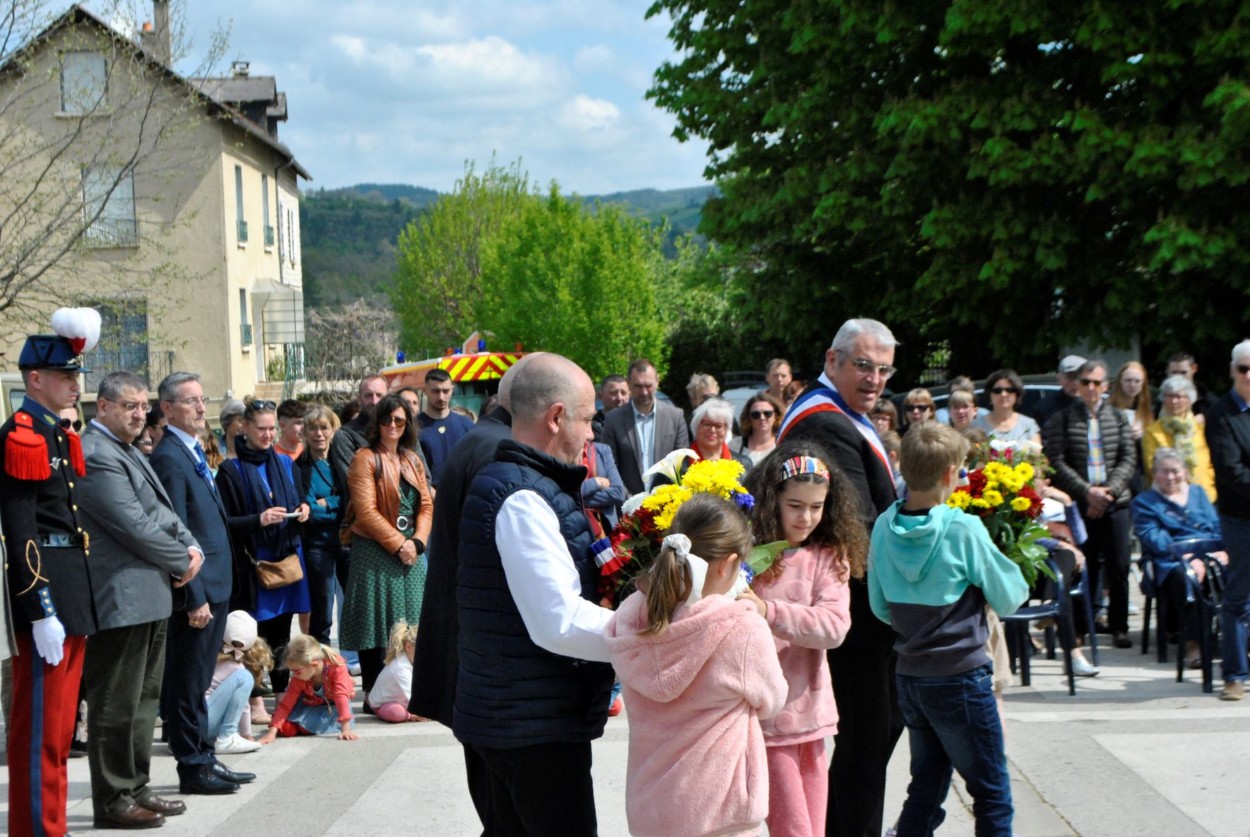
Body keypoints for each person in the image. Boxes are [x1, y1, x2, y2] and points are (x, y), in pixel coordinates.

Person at [454, 353, 615, 835]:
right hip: (532, 729)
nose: (591, 434)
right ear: (557, 417)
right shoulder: (522, 497)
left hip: (520, 716)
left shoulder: (528, 484)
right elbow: (558, 621)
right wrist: (647, 632)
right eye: (587, 419)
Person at [868, 423, 1028, 836]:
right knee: (991, 791)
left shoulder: (884, 526)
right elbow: (1010, 595)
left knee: (927, 783)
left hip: (911, 676)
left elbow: (879, 605)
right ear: (948, 473)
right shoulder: (962, 528)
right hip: (961, 677)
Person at [776, 317, 901, 837]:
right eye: (864, 366)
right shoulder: (825, 421)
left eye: (885, 371)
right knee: (867, 741)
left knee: (872, 739)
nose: (875, 379)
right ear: (833, 361)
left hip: (861, 607)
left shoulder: (843, 416)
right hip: (856, 610)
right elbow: (857, 529)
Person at [605, 495, 787, 837]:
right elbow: (773, 701)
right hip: (722, 816)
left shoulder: (634, 617)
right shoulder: (741, 629)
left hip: (652, 813)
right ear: (727, 564)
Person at [77, 371, 203, 828]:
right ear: (103, 407)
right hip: (121, 596)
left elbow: (163, 512)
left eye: (140, 406)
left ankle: (136, 786)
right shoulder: (95, 453)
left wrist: (192, 548)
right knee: (116, 703)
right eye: (127, 405)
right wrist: (181, 558)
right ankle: (113, 799)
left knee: (144, 702)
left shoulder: (128, 450)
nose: (137, 413)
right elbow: (131, 523)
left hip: (150, 593)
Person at [409, 358, 522, 829]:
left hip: (472, 653)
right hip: (487, 657)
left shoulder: (479, 438)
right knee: (505, 809)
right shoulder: (500, 451)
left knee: (497, 802)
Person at [0, 310, 100, 837]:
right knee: (39, 729)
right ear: (34, 378)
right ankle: (37, 829)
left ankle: (52, 826)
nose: (74, 383)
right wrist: (39, 608)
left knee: (60, 730)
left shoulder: (59, 433)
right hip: (46, 597)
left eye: (76, 375)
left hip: (70, 589)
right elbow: (22, 531)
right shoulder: (22, 434)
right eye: (65, 375)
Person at [742, 443, 866, 837]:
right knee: (793, 830)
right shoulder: (747, 553)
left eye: (817, 506)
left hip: (811, 716)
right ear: (771, 499)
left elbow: (834, 627)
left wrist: (768, 612)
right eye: (795, 505)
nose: (807, 517)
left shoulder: (830, 555)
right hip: (765, 717)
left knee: (813, 828)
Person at [150, 371, 252, 796]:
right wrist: (193, 596)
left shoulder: (190, 450)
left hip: (215, 583)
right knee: (188, 682)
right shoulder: (169, 456)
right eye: (189, 400)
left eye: (201, 398)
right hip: (198, 589)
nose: (199, 407)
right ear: (168, 408)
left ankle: (204, 754)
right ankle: (192, 765)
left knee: (196, 679)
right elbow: (177, 531)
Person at [340, 394, 432, 701]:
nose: (392, 425)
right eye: (386, 419)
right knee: (376, 620)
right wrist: (398, 545)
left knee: (415, 619)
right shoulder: (364, 458)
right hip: (375, 549)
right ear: (376, 423)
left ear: (407, 425)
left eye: (399, 420)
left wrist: (417, 542)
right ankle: (372, 692)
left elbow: (427, 505)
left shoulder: (412, 459)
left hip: (411, 549)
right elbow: (365, 513)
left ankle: (413, 690)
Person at [216, 400, 312, 692]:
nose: (268, 435)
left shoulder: (285, 462)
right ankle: (253, 692)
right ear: (244, 427)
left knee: (282, 629)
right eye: (261, 429)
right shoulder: (230, 471)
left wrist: (304, 509)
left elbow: (299, 498)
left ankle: (283, 691)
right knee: (253, 633)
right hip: (253, 563)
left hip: (286, 558)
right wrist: (259, 519)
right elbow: (225, 522)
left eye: (272, 429)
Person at [1043, 359, 1137, 649]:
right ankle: (1082, 628)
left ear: (1106, 386)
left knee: (1119, 566)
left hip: (1115, 502)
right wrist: (1088, 492)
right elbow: (1057, 461)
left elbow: (1128, 458)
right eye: (1086, 382)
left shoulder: (1119, 417)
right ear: (1078, 385)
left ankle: (1119, 627)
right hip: (1083, 504)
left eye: (1097, 383)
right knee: (1083, 568)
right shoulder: (1063, 418)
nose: (1091, 388)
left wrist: (1109, 491)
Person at [1131, 448, 1226, 668]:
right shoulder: (1144, 502)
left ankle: (1237, 640)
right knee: (1187, 578)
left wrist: (1224, 550)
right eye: (1164, 472)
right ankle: (1194, 643)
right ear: (1154, 474)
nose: (1170, 477)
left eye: (1175, 471)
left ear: (1184, 471)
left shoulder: (1199, 494)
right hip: (1170, 560)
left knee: (1236, 570)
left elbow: (1217, 527)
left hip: (1208, 554)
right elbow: (1154, 538)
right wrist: (1188, 557)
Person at [1204, 339, 1250, 701]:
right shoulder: (1221, 414)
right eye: (1244, 369)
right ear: (1233, 371)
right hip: (1240, 517)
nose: (1249, 376)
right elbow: (1231, 470)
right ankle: (1234, 674)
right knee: (1238, 597)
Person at [603, 358, 691, 495]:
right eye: (638, 386)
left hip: (667, 502)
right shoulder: (613, 420)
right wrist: (630, 501)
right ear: (629, 384)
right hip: (627, 504)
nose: (644, 392)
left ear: (657, 381)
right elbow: (610, 466)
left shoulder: (675, 417)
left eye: (648, 386)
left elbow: (682, 465)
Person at [296, 404, 346, 644]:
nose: (318, 433)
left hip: (346, 540)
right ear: (304, 433)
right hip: (317, 545)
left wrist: (327, 502)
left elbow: (351, 499)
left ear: (333, 430)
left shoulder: (342, 462)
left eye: (324, 427)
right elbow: (305, 507)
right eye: (312, 428)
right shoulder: (300, 467)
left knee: (356, 603)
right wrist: (325, 507)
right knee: (322, 609)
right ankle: (320, 670)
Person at [258, 635, 358, 742]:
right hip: (309, 704)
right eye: (292, 671)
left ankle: (303, 726)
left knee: (300, 728)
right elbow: (286, 704)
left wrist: (345, 729)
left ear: (313, 664)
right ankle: (298, 725)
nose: (294, 675)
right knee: (286, 729)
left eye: (297, 671)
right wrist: (272, 733)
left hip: (334, 708)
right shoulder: (300, 676)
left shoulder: (336, 667)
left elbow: (340, 696)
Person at [1143, 375, 1216, 502]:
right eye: (1169, 396)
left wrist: (1209, 479)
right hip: (1168, 498)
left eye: (1179, 396)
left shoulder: (1201, 428)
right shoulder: (1152, 432)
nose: (1174, 401)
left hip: (1203, 496)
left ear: (1190, 399)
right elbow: (1152, 467)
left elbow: (1212, 461)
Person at [205, 611, 265, 754]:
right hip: (203, 722)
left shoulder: (208, 655)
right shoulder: (236, 667)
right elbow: (243, 706)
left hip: (187, 723)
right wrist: (246, 735)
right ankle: (227, 737)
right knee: (245, 678)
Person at [329, 374, 388, 506]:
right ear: (359, 398)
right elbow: (356, 485)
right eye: (368, 395)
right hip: (365, 518)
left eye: (380, 395)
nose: (374, 401)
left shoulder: (401, 429)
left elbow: (422, 476)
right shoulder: (345, 436)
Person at [418, 368, 475, 486]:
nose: (441, 397)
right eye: (435, 391)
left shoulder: (467, 426)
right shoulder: (414, 427)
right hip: (428, 498)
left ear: (452, 390)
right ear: (425, 390)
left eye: (446, 391)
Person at [367, 620, 424, 722]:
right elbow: (411, 692)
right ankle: (410, 714)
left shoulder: (412, 661)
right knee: (396, 713)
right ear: (408, 647)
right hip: (384, 703)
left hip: (403, 699)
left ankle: (412, 711)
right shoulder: (400, 666)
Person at [973, 368, 1042, 444]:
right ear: (989, 394)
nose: (1003, 394)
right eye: (997, 391)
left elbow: (1036, 454)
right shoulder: (977, 425)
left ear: (1017, 394)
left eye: (1009, 390)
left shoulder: (1028, 425)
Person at [687, 396, 753, 471]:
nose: (712, 430)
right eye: (707, 424)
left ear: (727, 429)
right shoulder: (678, 463)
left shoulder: (744, 464)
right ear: (696, 426)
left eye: (718, 426)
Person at [1033, 354, 1086, 426]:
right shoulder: (1044, 407)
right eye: (1070, 377)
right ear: (1059, 379)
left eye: (1080, 377)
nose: (1075, 383)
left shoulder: (1097, 405)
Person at [732, 392, 783, 466]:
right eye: (756, 414)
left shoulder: (782, 445)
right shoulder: (735, 445)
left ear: (776, 415)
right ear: (748, 418)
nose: (762, 418)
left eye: (767, 413)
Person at [1164, 351, 1220, 417]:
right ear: (1167, 371)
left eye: (1183, 373)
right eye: (1174, 373)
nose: (1179, 377)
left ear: (1194, 368)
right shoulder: (1161, 402)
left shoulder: (1210, 402)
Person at [1110, 361, 1153, 442]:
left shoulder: (1148, 409)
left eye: (1137, 381)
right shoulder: (1109, 407)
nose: (1132, 385)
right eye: (1128, 380)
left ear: (1143, 383)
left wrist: (1145, 433)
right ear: (1120, 382)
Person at [592, 373, 630, 440]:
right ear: (600, 396)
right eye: (613, 393)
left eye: (623, 393)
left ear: (629, 396)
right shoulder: (593, 426)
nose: (619, 398)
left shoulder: (636, 422)